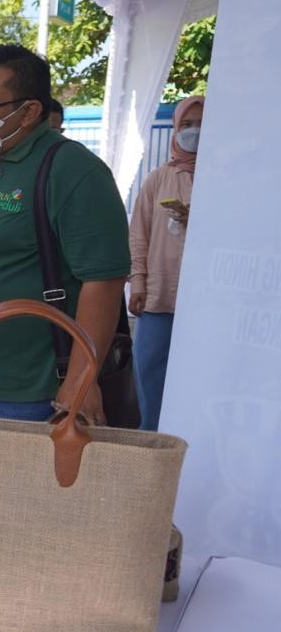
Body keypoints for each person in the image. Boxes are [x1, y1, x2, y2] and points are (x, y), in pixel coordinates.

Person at [0, 44, 129, 424]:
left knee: (18, 485)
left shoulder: (73, 170)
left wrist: (82, 379)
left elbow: (104, 280)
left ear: (30, 111)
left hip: (30, 392)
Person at [128, 95, 204, 431]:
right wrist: (138, 283)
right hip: (158, 295)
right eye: (187, 125)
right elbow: (138, 235)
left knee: (197, 375)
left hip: (205, 301)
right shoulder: (158, 178)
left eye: (202, 124)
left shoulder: (225, 180)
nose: (194, 132)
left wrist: (201, 218)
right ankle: (151, 439)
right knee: (149, 370)